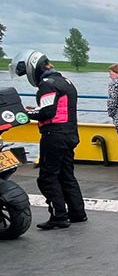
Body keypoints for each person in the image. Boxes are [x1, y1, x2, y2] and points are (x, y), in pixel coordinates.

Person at [13, 50, 86, 230]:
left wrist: (26, 113)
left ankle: (58, 216)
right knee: (66, 175)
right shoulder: (65, 81)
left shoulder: (47, 84)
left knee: (47, 178)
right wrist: (36, 109)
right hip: (70, 133)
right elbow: (56, 107)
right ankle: (77, 213)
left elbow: (47, 112)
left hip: (54, 135)